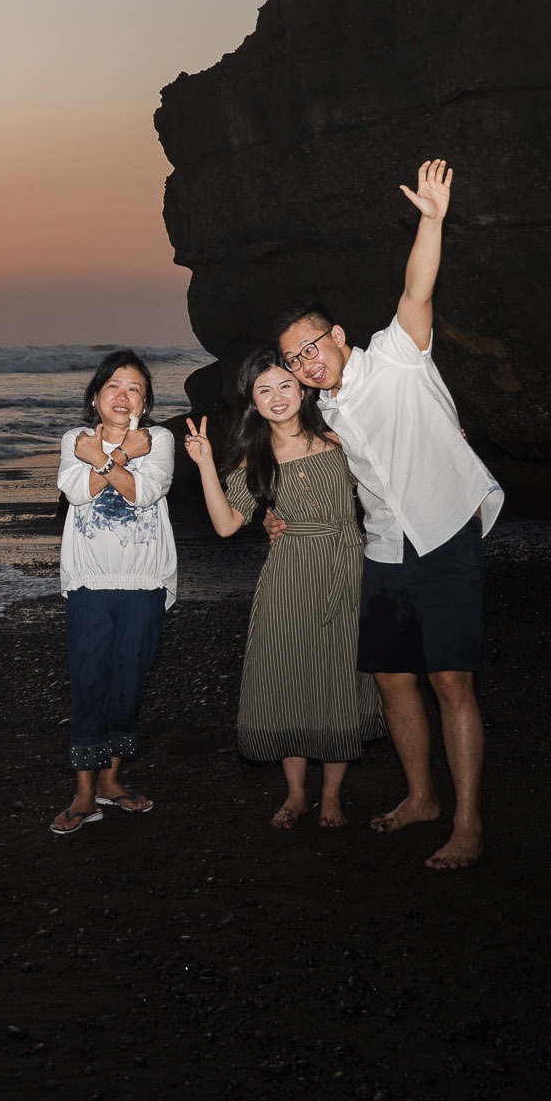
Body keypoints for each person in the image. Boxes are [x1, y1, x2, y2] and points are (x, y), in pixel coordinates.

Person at [277, 157, 501, 869]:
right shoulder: (328, 410)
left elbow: (416, 288)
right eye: (294, 360)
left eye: (312, 346)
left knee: (451, 681)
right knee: (392, 678)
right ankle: (421, 797)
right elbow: (294, 461)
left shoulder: (396, 354)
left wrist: (431, 222)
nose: (307, 362)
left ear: (338, 336)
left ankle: (467, 822)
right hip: (384, 547)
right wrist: (273, 515)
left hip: (443, 532)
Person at [185, 351, 384, 829]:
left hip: (345, 566)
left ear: (303, 390)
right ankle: (295, 794)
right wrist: (206, 464)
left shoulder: (338, 439)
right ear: (252, 401)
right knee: (287, 673)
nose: (277, 397)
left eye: (284, 385)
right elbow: (226, 524)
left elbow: (388, 479)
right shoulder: (256, 459)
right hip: (289, 575)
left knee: (337, 674)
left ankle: (331, 795)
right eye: (264, 390)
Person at [49, 350, 176, 835]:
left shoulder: (158, 440)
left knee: (128, 684)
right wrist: (119, 458)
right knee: (88, 684)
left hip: (145, 582)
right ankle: (84, 793)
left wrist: (105, 460)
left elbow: (144, 493)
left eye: (134, 388)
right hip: (90, 583)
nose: (124, 396)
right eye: (114, 387)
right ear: (96, 397)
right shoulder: (75, 439)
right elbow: (76, 492)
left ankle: (110, 780)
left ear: (145, 401)